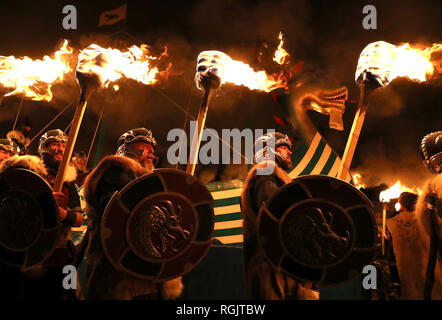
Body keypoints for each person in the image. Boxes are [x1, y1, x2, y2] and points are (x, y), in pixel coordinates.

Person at [83, 128, 183, 299]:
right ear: (127, 148)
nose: (151, 153)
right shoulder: (115, 172)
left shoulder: (145, 179)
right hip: (116, 263)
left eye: (152, 150)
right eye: (145, 147)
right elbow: (118, 211)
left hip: (143, 263)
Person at [240, 131, 319, 300]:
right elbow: (275, 213)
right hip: (270, 262)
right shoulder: (264, 173)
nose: (290, 152)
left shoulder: (276, 178)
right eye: (284, 147)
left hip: (284, 262)